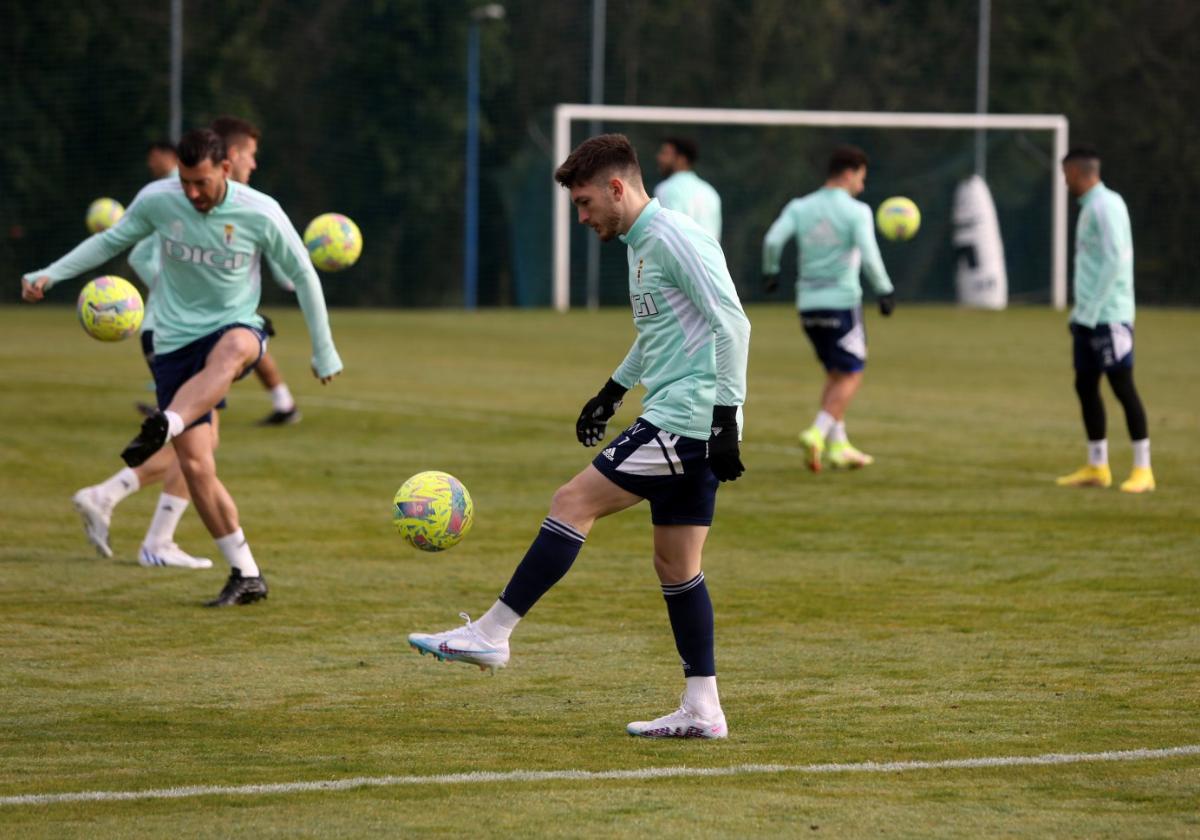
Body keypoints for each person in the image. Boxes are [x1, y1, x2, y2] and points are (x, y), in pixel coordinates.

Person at [408, 133, 750, 740]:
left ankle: (491, 634)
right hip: (681, 414)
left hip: (687, 418)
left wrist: (726, 419)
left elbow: (733, 323)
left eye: (586, 203)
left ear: (618, 188)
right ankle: (704, 708)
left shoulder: (673, 238)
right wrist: (613, 391)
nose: (583, 216)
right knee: (676, 566)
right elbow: (660, 333)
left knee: (572, 502)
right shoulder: (639, 243)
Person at [22, 128, 343, 606]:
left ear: (226, 170)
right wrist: (50, 273)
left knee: (237, 347)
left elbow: (301, 273)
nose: (192, 192)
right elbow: (111, 242)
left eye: (202, 183)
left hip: (234, 326)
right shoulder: (160, 199)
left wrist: (324, 349)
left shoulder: (261, 211)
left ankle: (167, 421)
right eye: (186, 182)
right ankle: (246, 573)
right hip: (172, 340)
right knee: (195, 465)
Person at [762, 145, 895, 472]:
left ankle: (839, 445)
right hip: (841, 304)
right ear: (849, 173)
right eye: (861, 178)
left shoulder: (799, 206)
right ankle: (817, 432)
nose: (861, 187)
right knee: (852, 373)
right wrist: (884, 289)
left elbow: (773, 241)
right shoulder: (856, 211)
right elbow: (869, 253)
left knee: (835, 373)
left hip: (807, 305)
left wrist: (771, 271)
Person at [1055, 146, 1153, 493]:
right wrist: (1080, 313)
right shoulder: (1089, 208)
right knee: (1085, 385)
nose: (1064, 182)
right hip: (1088, 316)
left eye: (1066, 175)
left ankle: (1143, 469)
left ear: (1080, 173)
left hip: (1110, 316)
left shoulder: (1106, 206)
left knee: (1122, 386)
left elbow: (1115, 261)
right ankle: (1098, 466)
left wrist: (1092, 312)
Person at [210, 116, 302, 427]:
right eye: (250, 154)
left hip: (229, 304)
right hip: (206, 300)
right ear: (232, 154)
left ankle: (179, 412)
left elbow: (269, 241)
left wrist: (287, 274)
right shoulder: (193, 196)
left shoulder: (254, 205)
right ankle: (284, 403)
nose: (254, 164)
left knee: (238, 347)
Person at [654, 136, 722, 241]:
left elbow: (670, 236)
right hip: (711, 257)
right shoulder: (710, 192)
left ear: (682, 159)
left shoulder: (666, 189)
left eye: (665, 154)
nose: (659, 158)